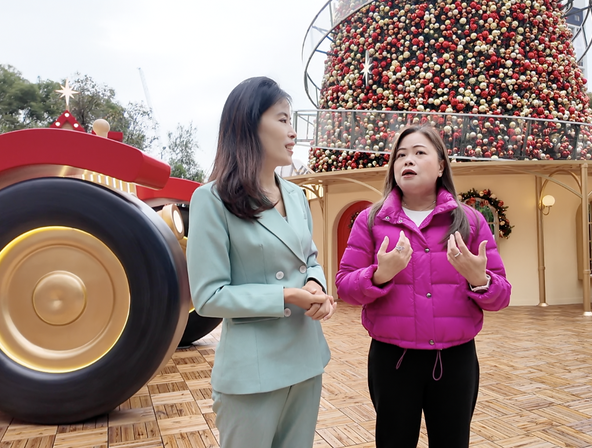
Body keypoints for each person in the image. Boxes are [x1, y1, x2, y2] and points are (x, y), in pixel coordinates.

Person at [335, 124, 511, 447]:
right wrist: (379, 275)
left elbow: (501, 296)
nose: (407, 160)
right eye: (401, 155)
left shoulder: (469, 221)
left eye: (419, 153)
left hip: (455, 360)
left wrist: (480, 280)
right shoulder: (370, 220)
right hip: (392, 360)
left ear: (441, 166)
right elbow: (345, 287)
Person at [187, 77, 335, 448]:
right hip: (252, 373)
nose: (293, 132)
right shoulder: (212, 199)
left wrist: (315, 284)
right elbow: (209, 296)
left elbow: (309, 259)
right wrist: (287, 295)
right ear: (249, 124)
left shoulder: (296, 195)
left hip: (306, 358)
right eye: (283, 119)